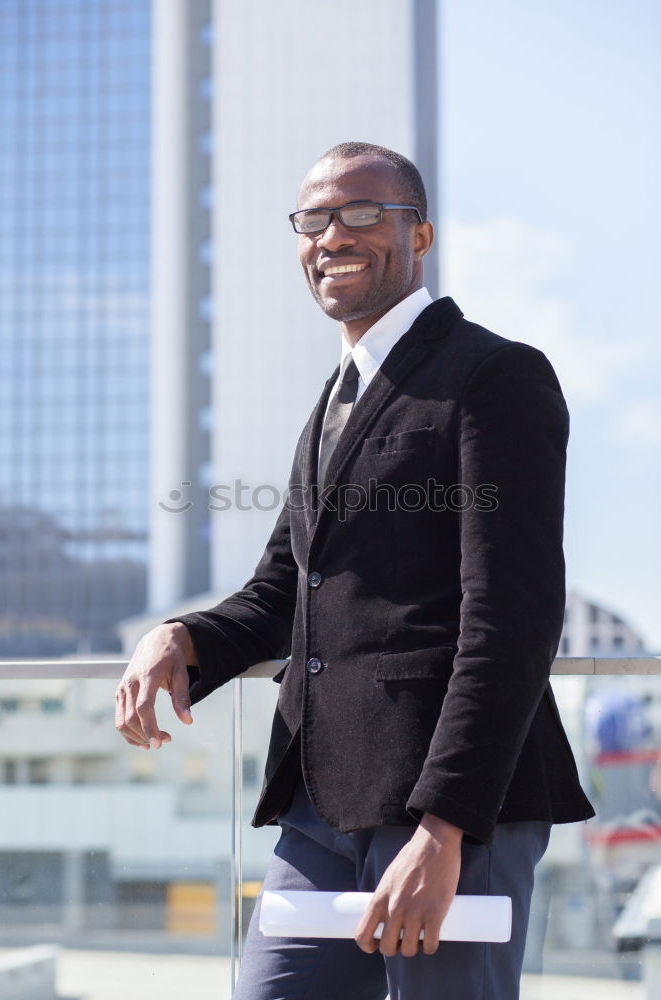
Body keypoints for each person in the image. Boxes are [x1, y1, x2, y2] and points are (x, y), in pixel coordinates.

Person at [116, 142, 594, 999]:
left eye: (364, 212)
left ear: (421, 236)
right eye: (314, 218)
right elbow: (281, 592)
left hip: (451, 807)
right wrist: (182, 635)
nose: (333, 232)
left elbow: (512, 615)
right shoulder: (335, 400)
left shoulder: (495, 376)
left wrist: (445, 827)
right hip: (318, 807)